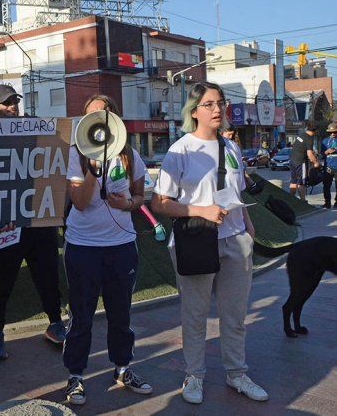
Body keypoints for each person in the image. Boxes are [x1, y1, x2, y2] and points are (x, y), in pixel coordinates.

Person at [151, 82, 268, 405]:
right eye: (209, 104)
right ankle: (195, 375)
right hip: (196, 240)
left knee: (235, 315)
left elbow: (236, 192)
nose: (217, 110)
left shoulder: (231, 148)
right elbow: (160, 202)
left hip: (235, 241)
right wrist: (200, 209)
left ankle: (237, 374)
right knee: (195, 315)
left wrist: (247, 226)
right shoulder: (181, 150)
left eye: (221, 103)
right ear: (194, 111)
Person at [63, 95, 152, 406]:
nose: (98, 119)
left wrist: (127, 203)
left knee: (120, 313)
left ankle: (123, 367)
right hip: (83, 246)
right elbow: (80, 202)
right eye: (91, 115)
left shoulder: (130, 155)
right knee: (82, 315)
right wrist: (93, 167)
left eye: (104, 113)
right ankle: (76, 375)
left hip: (121, 245)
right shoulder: (76, 154)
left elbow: (141, 196)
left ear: (114, 117)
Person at [0, 84, 66, 361]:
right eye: (6, 103)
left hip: (38, 219)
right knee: (1, 280)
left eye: (15, 102)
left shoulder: (33, 127)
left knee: (48, 274)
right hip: (6, 224)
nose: (13, 107)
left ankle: (55, 322)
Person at [289, 122, 320, 200]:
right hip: (300, 162)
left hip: (292, 160)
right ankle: (303, 201)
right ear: (315, 130)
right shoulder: (309, 138)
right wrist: (316, 163)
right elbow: (309, 154)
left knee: (293, 182)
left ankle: (291, 199)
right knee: (301, 182)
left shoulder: (302, 135)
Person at [320, 122, 337, 209]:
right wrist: (327, 152)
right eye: (331, 132)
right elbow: (321, 154)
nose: (333, 134)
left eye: (335, 132)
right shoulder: (325, 141)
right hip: (328, 167)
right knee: (326, 186)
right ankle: (327, 202)